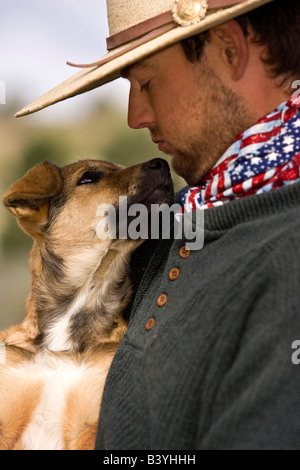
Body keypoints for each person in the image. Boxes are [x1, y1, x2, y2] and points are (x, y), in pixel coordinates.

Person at [16, 0, 300, 450]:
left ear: (229, 48)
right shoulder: (167, 224)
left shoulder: (286, 260)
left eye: (147, 81)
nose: (135, 116)